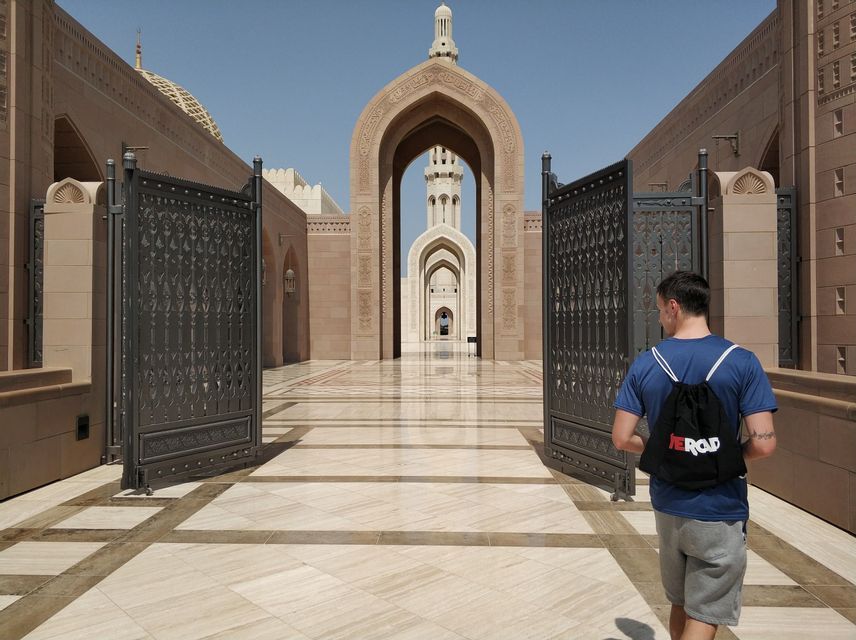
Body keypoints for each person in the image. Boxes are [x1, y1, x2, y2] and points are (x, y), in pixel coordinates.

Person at [611, 271, 777, 640]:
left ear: (674, 307)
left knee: (681, 602)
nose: (658, 319)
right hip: (720, 507)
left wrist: (666, 451)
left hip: (668, 502)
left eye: (659, 310)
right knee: (705, 611)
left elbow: (622, 438)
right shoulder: (742, 361)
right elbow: (764, 442)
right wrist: (723, 456)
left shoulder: (647, 362)